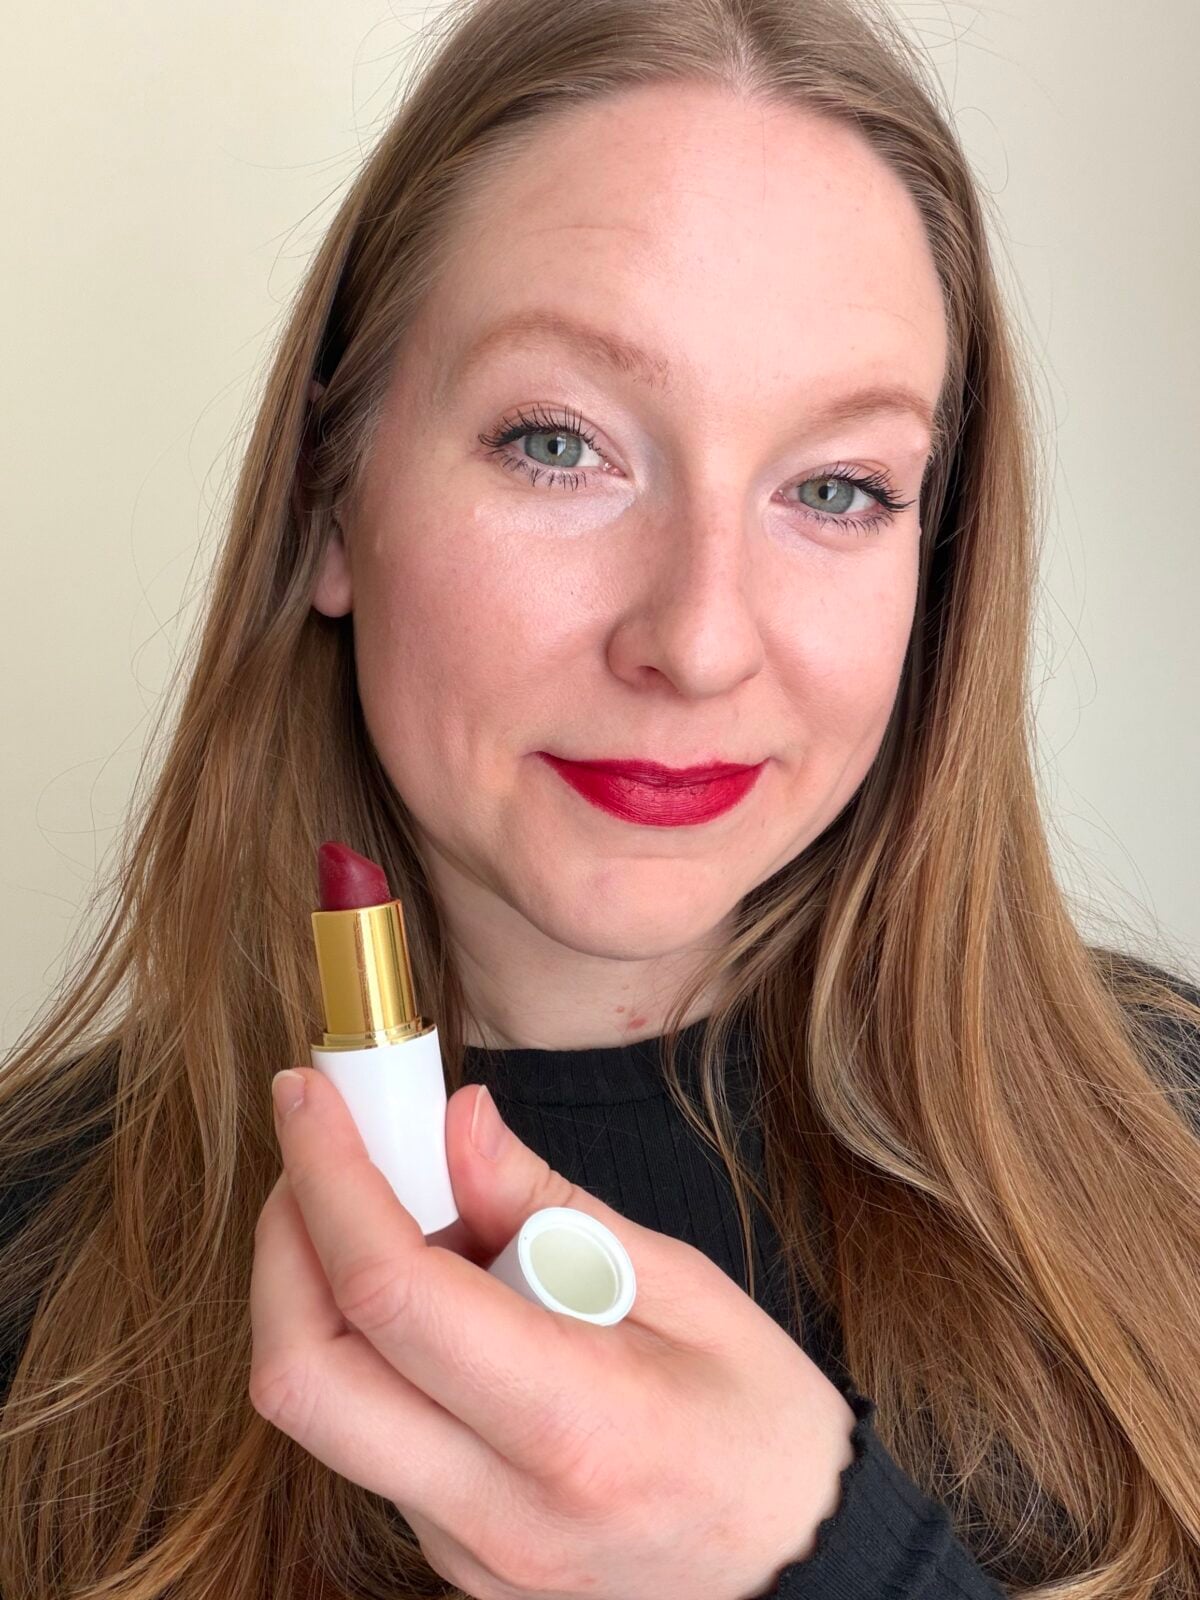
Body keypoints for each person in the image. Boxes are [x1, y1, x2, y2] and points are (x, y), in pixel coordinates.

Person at [2, 0, 1198, 1595]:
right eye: (560, 443)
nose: (699, 640)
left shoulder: (1173, 1141)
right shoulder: (29, 1262)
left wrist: (834, 1567)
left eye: (837, 486)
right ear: (328, 498)